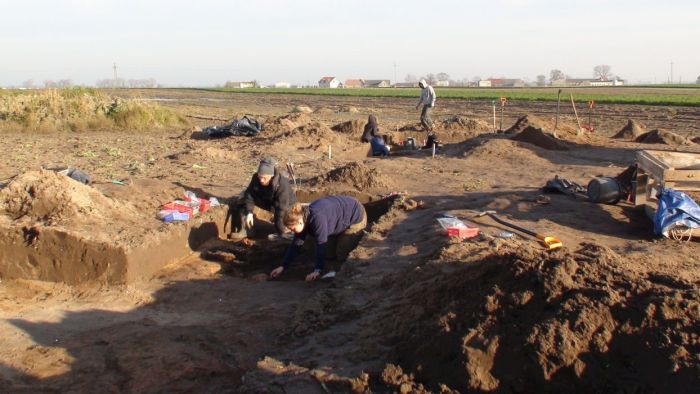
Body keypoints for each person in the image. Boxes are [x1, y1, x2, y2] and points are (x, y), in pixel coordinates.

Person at [269, 196, 367, 281]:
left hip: (354, 215)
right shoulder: (303, 218)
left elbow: (321, 244)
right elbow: (296, 244)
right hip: (335, 221)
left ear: (299, 222)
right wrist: (282, 266)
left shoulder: (317, 218)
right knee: (329, 255)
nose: (292, 231)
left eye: (292, 228)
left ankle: (338, 273)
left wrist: (317, 270)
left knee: (341, 255)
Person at [229, 157, 296, 240]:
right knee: (242, 200)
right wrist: (249, 212)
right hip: (268, 200)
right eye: (259, 176)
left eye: (264, 178)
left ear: (271, 176)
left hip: (287, 204)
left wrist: (281, 231)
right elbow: (250, 194)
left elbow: (281, 210)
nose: (261, 180)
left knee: (282, 220)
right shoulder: (256, 178)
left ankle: (285, 231)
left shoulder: (282, 185)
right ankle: (247, 230)